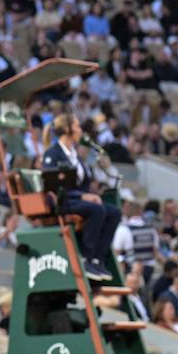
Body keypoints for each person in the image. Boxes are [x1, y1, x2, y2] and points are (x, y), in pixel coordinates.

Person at [41, 113, 118, 281]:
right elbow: (53, 184)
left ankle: (98, 259)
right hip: (63, 201)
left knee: (114, 212)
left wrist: (91, 194)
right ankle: (86, 258)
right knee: (96, 210)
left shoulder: (74, 154)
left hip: (77, 199)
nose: (80, 130)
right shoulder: (52, 153)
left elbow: (83, 182)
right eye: (77, 126)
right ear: (68, 129)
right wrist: (84, 196)